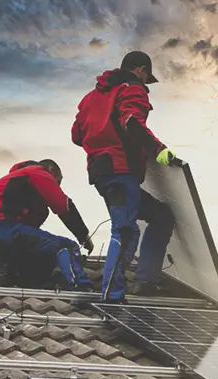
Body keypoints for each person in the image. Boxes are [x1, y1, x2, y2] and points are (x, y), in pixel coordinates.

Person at [71, 50, 177, 303]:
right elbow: (131, 121)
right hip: (120, 171)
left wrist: (100, 141)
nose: (145, 82)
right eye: (146, 76)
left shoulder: (90, 98)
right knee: (125, 231)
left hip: (101, 173)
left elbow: (76, 135)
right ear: (140, 70)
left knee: (160, 216)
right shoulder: (132, 89)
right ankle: (112, 295)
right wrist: (158, 150)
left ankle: (146, 281)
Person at [0, 159, 95, 290]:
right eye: (58, 181)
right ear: (51, 170)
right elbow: (64, 206)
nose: (58, 187)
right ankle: (81, 287)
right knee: (66, 247)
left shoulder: (19, 185)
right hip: (0, 226)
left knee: (41, 256)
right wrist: (83, 236)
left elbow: (30, 239)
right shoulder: (38, 172)